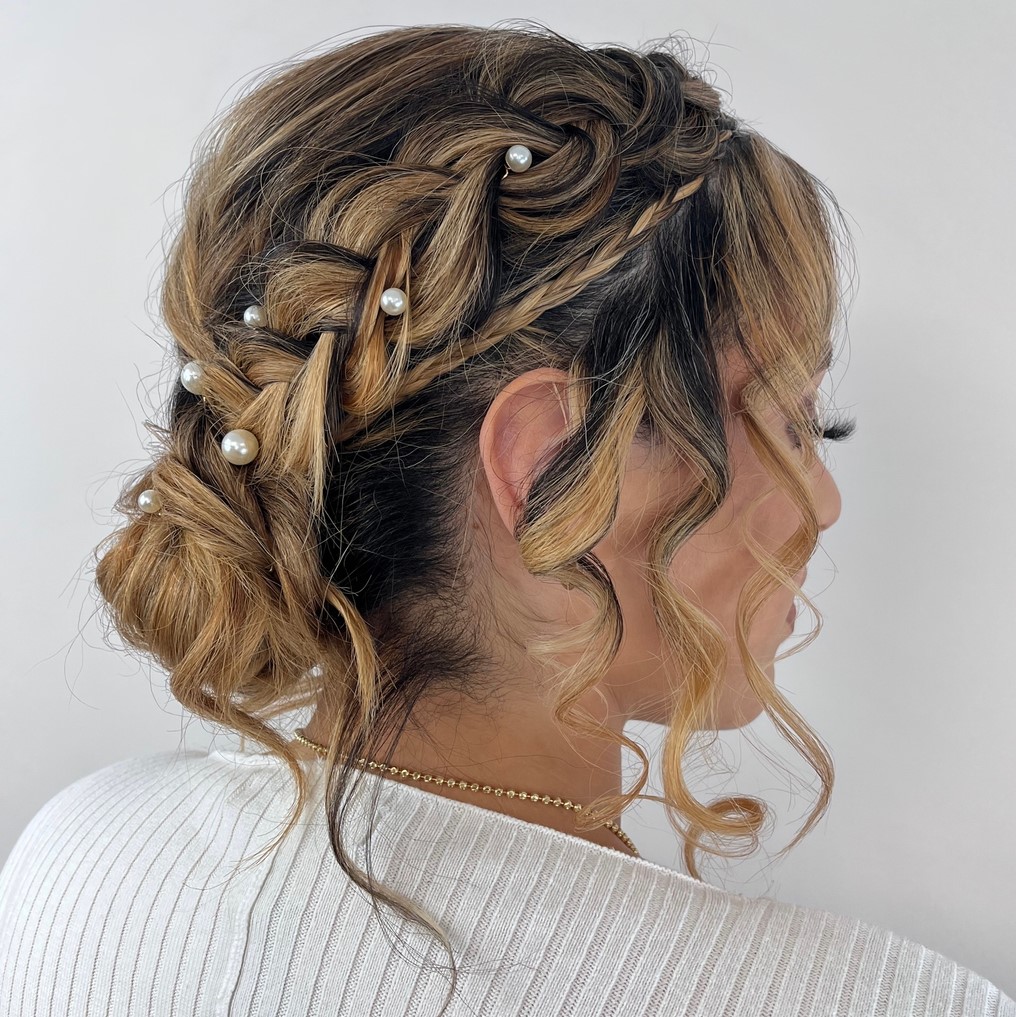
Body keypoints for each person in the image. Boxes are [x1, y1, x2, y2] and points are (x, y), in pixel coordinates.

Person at [0, 21, 1011, 1017]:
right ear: (550, 462)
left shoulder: (74, 859)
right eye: (796, 423)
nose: (823, 501)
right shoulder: (887, 1000)